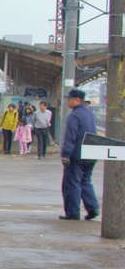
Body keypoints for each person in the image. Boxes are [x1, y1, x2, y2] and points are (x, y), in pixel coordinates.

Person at [59, 89, 100, 221]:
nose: (67, 101)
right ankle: (93, 208)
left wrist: (66, 154)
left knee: (72, 183)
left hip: (77, 155)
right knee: (86, 181)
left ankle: (72, 213)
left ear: (77, 100)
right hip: (91, 154)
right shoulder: (89, 113)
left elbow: (71, 137)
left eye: (69, 99)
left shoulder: (74, 116)